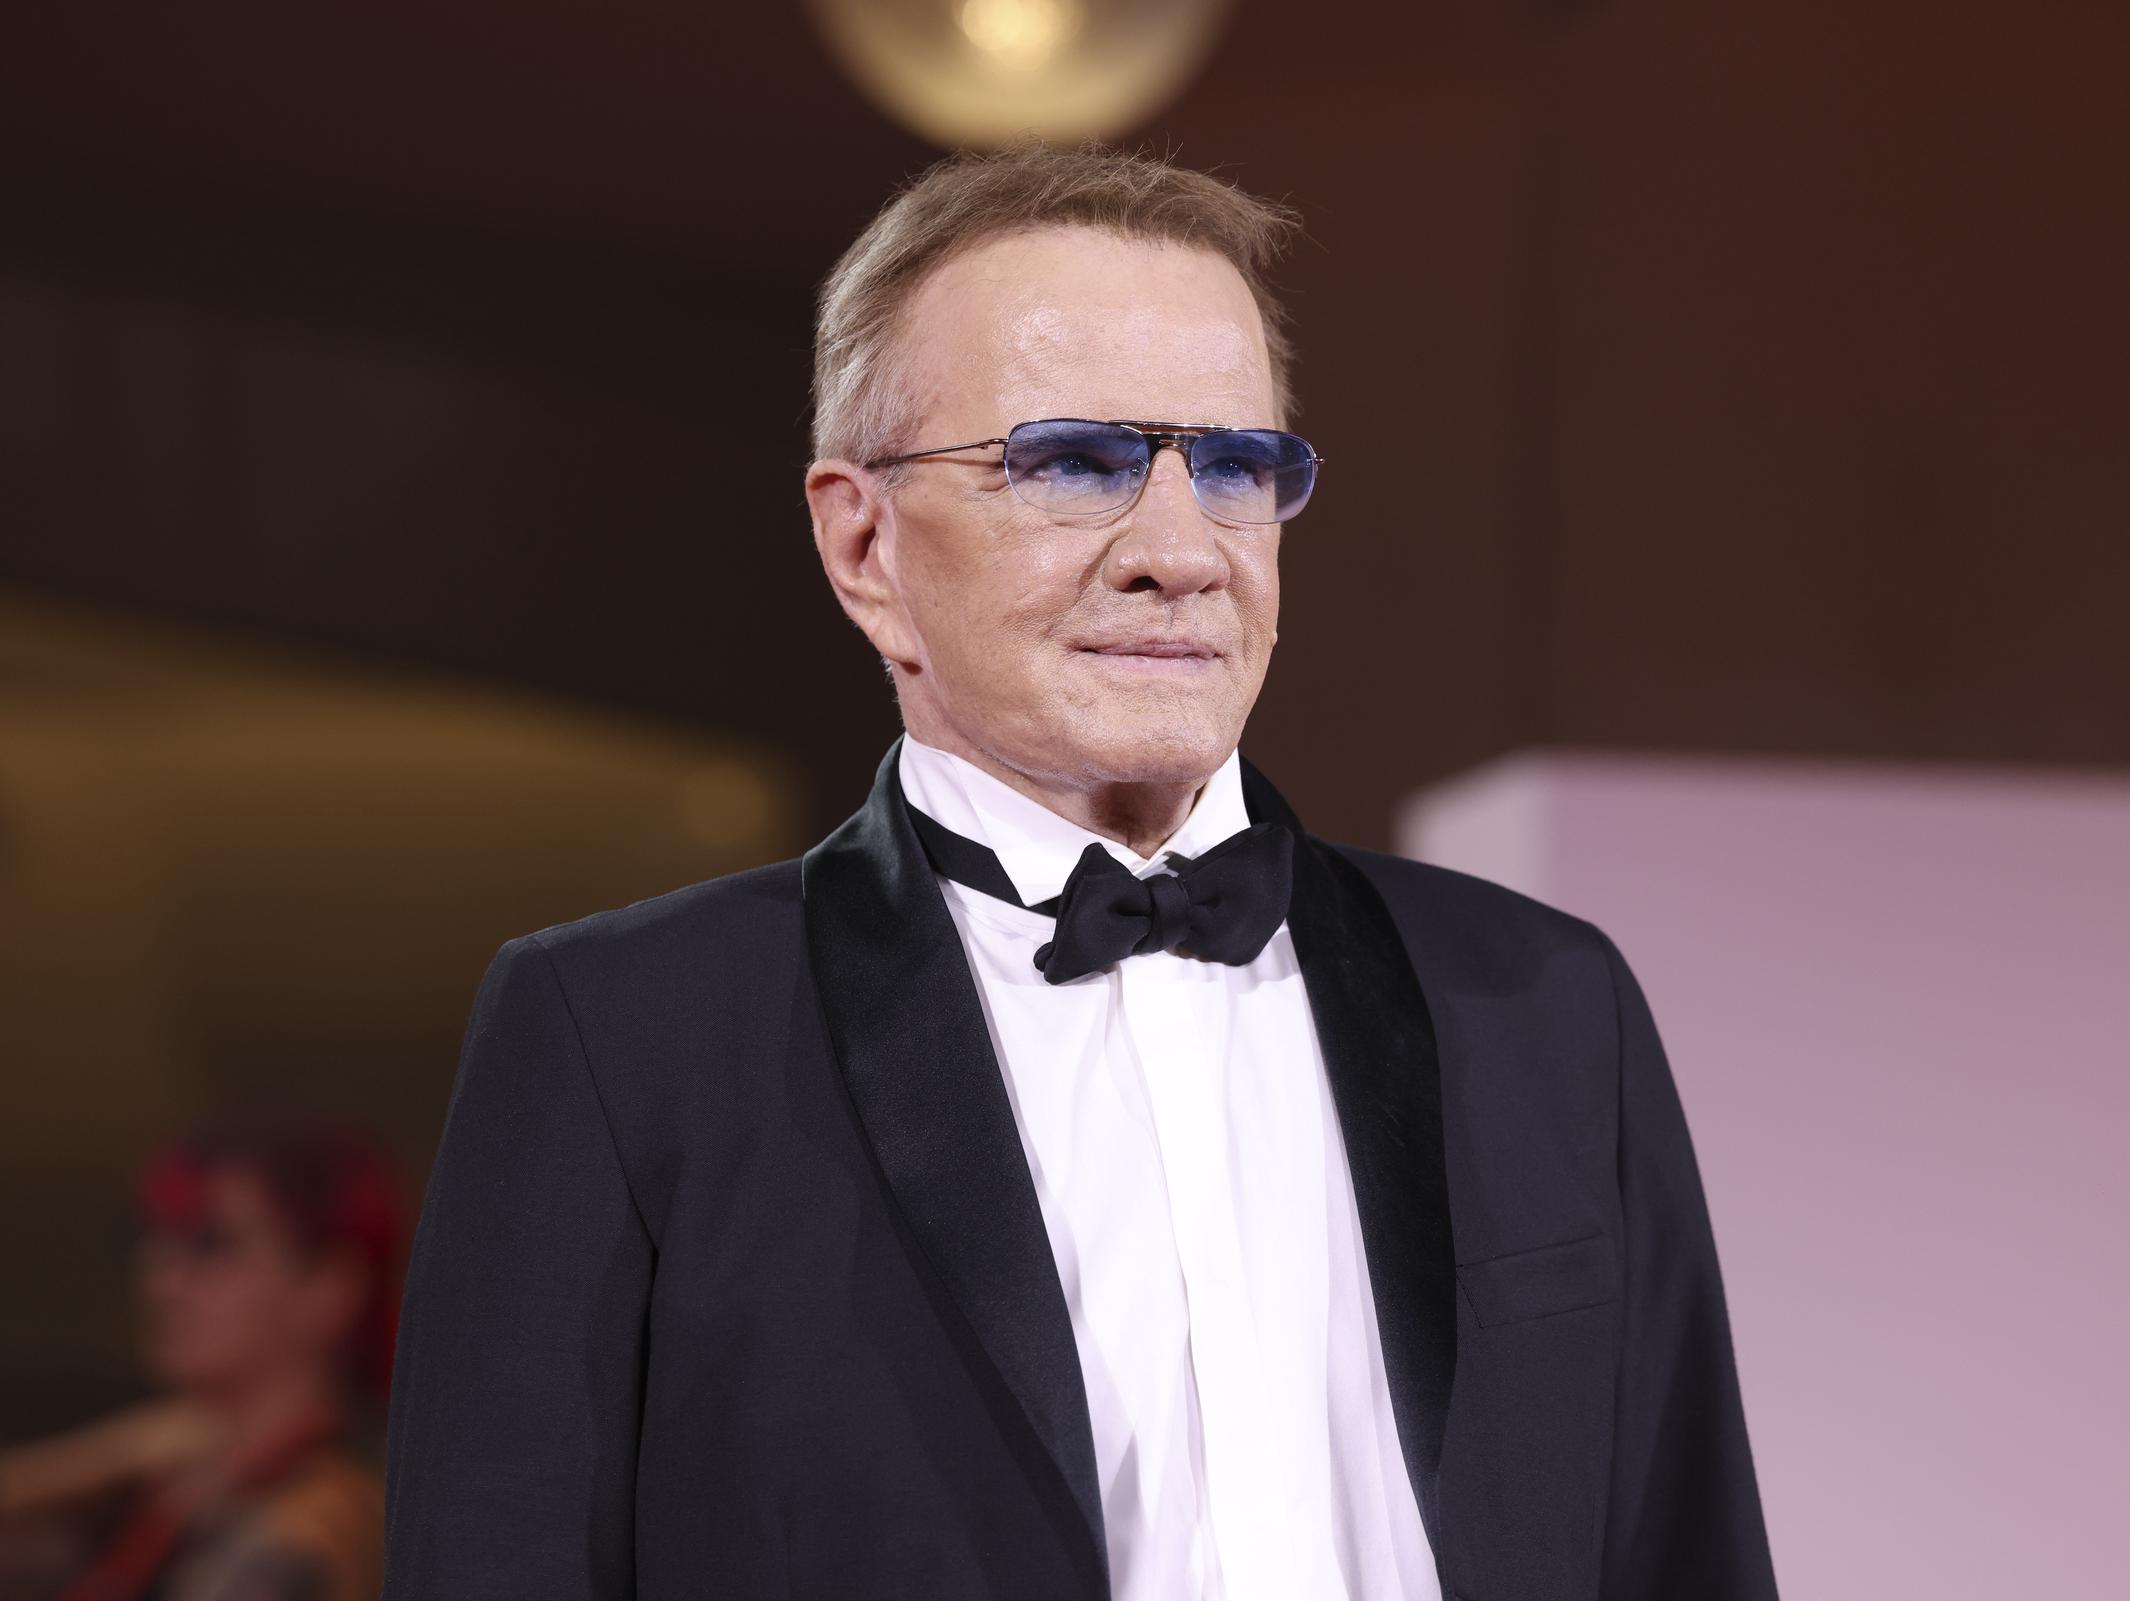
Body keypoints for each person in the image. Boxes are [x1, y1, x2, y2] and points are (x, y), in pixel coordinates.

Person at [381, 144, 1778, 1600]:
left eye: (1235, 466)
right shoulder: (627, 1036)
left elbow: (1686, 1556)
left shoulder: (1548, 1005)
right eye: (1073, 462)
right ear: (865, 545)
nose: (1181, 551)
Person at [0, 1113, 401, 1601]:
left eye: (211, 1243)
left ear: (329, 1286)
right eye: (156, 1241)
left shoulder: (317, 1519)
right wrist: (101, 1462)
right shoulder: (164, 1485)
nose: (160, 1280)